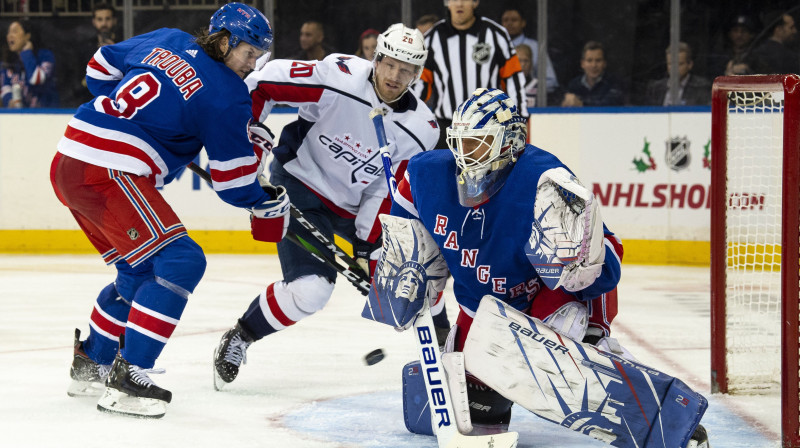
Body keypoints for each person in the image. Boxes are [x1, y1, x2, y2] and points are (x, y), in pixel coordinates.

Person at [362, 87, 709, 447]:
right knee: (476, 404)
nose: (465, 155)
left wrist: (575, 266)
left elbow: (608, 258)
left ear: (510, 142)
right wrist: (405, 274)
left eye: (479, 143)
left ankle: (613, 367)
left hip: (545, 300)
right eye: (460, 143)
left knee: (565, 344)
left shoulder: (545, 179)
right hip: (482, 310)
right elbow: (407, 246)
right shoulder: (425, 174)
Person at [53, 3, 287, 418]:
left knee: (139, 273)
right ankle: (130, 378)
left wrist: (142, 115)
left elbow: (98, 69)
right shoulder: (228, 94)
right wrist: (263, 200)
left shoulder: (168, 39)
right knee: (180, 260)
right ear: (223, 39)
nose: (253, 64)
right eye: (249, 52)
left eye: (258, 56)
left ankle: (92, 360)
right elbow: (233, 184)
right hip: (109, 169)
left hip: (71, 158)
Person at [212, 23, 439, 389]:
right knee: (312, 290)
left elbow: (386, 189)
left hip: (348, 212)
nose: (395, 76)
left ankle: (445, 345)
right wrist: (247, 134)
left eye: (407, 69)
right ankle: (241, 335)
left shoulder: (422, 129)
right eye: (390, 64)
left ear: (418, 73)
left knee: (411, 268)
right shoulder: (339, 77)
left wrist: (368, 245)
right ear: (376, 59)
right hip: (299, 184)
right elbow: (263, 82)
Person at [413, 0, 528, 149]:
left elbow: (513, 79)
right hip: (447, 129)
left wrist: (518, 119)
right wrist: (411, 118)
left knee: (489, 172)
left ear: (475, 2)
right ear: (447, 2)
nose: (459, 4)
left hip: (488, 126)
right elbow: (419, 85)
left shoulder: (496, 34)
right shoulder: (432, 38)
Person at [500, 6, 558, 93]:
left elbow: (551, 81)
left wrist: (530, 89)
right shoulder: (495, 46)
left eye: (514, 20)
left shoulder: (535, 47)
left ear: (523, 23)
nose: (509, 23)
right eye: (505, 20)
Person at [1, 19, 58, 108]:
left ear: (27, 36)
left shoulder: (45, 56)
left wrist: (26, 53)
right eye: (8, 32)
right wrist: (10, 101)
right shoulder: (8, 62)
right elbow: (5, 88)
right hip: (21, 117)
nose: (10, 36)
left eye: (15, 31)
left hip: (48, 115)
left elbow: (35, 79)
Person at [645, 42, 711, 106]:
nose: (674, 69)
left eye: (679, 64)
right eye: (670, 64)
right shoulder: (656, 88)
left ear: (690, 65)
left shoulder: (701, 87)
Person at [561, 40, 624, 107]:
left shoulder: (614, 82)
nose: (594, 65)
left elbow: (608, 107)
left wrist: (581, 104)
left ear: (604, 64)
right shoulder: (574, 84)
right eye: (589, 60)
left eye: (598, 60)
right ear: (582, 64)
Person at [748, 11, 799, 75]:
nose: (795, 31)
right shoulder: (790, 57)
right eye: (791, 27)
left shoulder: (756, 53)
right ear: (779, 29)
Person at [708, 14, 758, 78]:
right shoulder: (720, 55)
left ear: (751, 35)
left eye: (744, 31)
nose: (739, 35)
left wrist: (748, 71)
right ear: (730, 34)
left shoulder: (758, 56)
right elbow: (711, 76)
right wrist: (726, 72)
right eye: (735, 30)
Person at [516, 43, 537, 108]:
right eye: (519, 60)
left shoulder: (539, 86)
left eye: (526, 61)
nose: (522, 65)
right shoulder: (503, 86)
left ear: (531, 63)